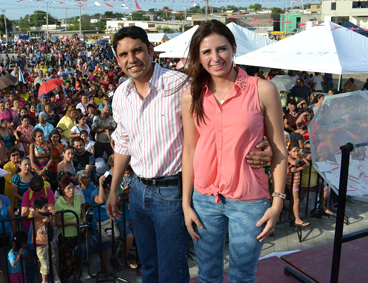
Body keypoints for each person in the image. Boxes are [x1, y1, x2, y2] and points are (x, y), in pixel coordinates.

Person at [106, 25, 273, 283]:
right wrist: (115, 188)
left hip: (173, 191)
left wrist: (269, 145)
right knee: (148, 266)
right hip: (138, 190)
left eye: (137, 50)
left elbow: (225, 108)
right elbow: (123, 143)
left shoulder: (181, 84)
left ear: (150, 50)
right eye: (124, 55)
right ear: (117, 59)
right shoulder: (120, 95)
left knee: (172, 269)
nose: (132, 59)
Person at [180, 20, 287, 283]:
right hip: (204, 200)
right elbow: (190, 150)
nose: (215, 58)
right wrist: (186, 204)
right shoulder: (191, 95)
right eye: (206, 52)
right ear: (198, 56)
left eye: (222, 49)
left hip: (250, 201)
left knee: (242, 277)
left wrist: (277, 202)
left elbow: (278, 150)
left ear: (234, 48)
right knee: (208, 275)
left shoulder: (262, 89)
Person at [54, 176, 84, 282]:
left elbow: (82, 209)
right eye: (68, 188)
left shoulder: (77, 197)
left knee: (77, 257)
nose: (71, 190)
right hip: (66, 236)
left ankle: (76, 278)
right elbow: (56, 223)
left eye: (73, 187)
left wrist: (83, 219)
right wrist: (72, 223)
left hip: (78, 234)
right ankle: (65, 280)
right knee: (65, 261)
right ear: (63, 190)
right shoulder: (59, 203)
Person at [32, 197, 61, 283]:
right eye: (45, 207)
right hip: (40, 245)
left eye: (47, 207)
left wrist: (53, 215)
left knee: (52, 261)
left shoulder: (48, 214)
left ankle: (56, 278)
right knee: (44, 265)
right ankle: (44, 281)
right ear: (38, 209)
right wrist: (42, 218)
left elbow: (52, 224)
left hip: (49, 242)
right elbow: (32, 212)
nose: (47, 209)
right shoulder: (36, 215)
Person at [286, 143, 310, 228]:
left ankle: (293, 217)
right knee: (296, 200)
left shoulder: (299, 155)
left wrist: (297, 169)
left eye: (297, 151)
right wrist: (300, 160)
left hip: (296, 181)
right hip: (292, 183)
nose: (296, 153)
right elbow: (294, 162)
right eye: (294, 151)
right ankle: (297, 219)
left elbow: (307, 164)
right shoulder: (288, 157)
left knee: (294, 200)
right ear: (289, 152)